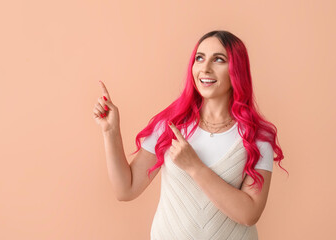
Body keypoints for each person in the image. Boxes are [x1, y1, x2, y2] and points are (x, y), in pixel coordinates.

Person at [93, 30, 287, 240]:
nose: (205, 68)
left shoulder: (258, 136)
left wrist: (194, 166)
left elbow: (250, 214)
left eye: (219, 60)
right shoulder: (170, 124)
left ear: (236, 71)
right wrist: (110, 132)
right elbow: (126, 189)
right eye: (199, 58)